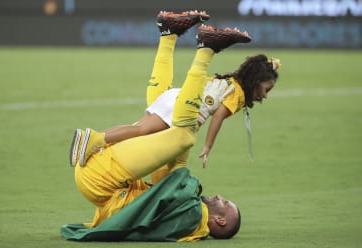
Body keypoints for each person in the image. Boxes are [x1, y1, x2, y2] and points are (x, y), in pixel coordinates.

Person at [61, 10, 251, 242]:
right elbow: (172, 179)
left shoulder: (191, 216)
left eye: (225, 203)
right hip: (103, 179)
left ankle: (206, 50)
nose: (221, 196)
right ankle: (169, 34)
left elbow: (182, 182)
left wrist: (201, 114)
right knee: (164, 125)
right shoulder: (182, 215)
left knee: (184, 137)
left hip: (103, 179)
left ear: (219, 221)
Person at [69, 11, 280, 169]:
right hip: (182, 108)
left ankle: (96, 141)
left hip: (175, 96)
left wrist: (271, 66)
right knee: (143, 131)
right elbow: (218, 119)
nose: (265, 94)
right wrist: (208, 147)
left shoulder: (231, 80)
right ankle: (95, 139)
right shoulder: (238, 94)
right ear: (257, 80)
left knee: (141, 129)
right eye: (266, 88)